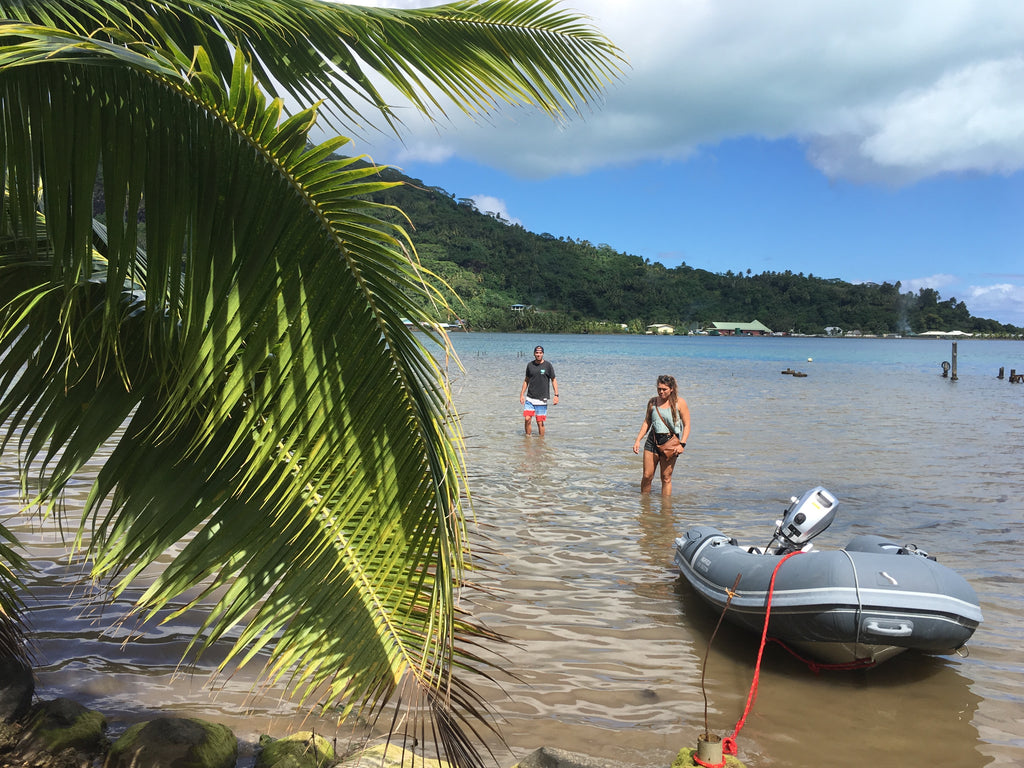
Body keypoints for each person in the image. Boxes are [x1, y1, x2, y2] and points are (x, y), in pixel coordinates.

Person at [632, 374, 690, 495]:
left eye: (664, 389)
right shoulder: (653, 402)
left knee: (666, 478)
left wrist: (682, 444)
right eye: (659, 389)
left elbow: (687, 425)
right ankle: (645, 506)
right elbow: (647, 422)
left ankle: (666, 511)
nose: (661, 392)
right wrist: (638, 440)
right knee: (647, 476)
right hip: (652, 441)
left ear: (671, 389)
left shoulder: (680, 403)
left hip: (671, 442)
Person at [519, 345, 558, 436]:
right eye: (537, 353)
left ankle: (541, 441)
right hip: (530, 398)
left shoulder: (548, 366)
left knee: (540, 422)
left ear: (543, 354)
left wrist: (556, 395)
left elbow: (553, 380)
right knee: (527, 419)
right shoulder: (530, 365)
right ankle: (528, 439)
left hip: (542, 399)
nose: (538, 354)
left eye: (540, 353)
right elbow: (526, 380)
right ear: (534, 354)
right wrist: (522, 394)